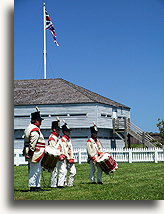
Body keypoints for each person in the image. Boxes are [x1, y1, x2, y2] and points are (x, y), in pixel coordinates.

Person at [23, 107, 46, 191]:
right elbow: (33, 144)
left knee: (37, 170)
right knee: (34, 170)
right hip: (35, 152)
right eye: (40, 120)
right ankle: (33, 186)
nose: (41, 122)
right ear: (36, 121)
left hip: (36, 152)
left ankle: (37, 185)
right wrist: (30, 153)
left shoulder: (31, 127)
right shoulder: (34, 130)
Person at [57, 121, 76, 188]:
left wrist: (71, 158)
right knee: (63, 172)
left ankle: (70, 184)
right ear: (64, 132)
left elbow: (70, 149)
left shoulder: (68, 140)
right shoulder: (62, 140)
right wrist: (67, 158)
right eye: (68, 131)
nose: (69, 132)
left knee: (73, 172)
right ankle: (61, 184)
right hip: (64, 158)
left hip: (70, 158)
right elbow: (63, 150)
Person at [48, 118, 61, 188]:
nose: (59, 131)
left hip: (58, 155)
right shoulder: (52, 137)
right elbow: (53, 148)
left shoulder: (57, 137)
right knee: (54, 171)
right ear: (54, 129)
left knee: (58, 170)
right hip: (54, 156)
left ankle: (57, 183)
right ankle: (53, 185)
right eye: (58, 129)